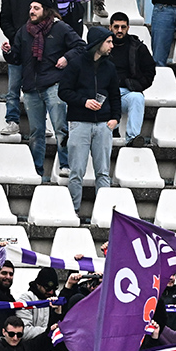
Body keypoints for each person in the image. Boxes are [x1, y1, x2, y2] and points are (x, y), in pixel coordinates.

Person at [2, 0, 85, 179]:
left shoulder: (60, 27)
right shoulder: (24, 30)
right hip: (31, 87)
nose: (31, 11)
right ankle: (37, 171)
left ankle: (65, 165)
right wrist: (7, 52)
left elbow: (80, 46)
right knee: (36, 133)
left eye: (36, 8)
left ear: (46, 11)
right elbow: (16, 57)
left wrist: (66, 58)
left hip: (54, 84)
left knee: (60, 128)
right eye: (30, 8)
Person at [58, 27, 121, 212]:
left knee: (103, 172)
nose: (112, 45)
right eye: (108, 42)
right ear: (98, 43)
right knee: (76, 172)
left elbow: (115, 95)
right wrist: (84, 102)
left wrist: (115, 119)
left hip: (103, 125)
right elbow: (64, 91)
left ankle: (103, 213)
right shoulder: (76, 64)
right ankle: (73, 211)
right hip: (79, 123)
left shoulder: (109, 67)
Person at [0, 0, 47, 136]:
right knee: (13, 88)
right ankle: (12, 121)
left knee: (43, 87)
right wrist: (18, 38)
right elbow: (4, 20)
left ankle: (43, 123)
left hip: (43, 49)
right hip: (17, 49)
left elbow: (52, 18)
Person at [107, 12, 155, 146]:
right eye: (116, 27)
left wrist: (137, 85)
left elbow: (150, 71)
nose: (119, 30)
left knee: (138, 97)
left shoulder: (137, 47)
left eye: (123, 27)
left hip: (126, 91)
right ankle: (111, 130)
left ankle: (133, 138)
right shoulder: (102, 44)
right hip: (104, 91)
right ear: (110, 27)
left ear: (128, 28)